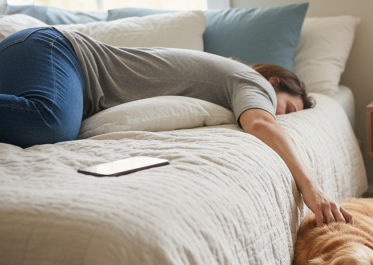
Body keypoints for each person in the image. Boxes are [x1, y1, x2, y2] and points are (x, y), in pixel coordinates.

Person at [0, 26, 353, 226]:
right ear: (274, 83)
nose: (281, 117)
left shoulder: (227, 83)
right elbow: (261, 123)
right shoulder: (251, 81)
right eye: (287, 108)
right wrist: (312, 188)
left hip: (33, 58)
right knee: (50, 125)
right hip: (57, 51)